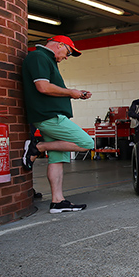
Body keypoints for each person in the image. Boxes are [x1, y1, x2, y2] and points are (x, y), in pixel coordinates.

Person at [21, 35, 95, 214]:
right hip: (49, 117)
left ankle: (57, 201)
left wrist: (75, 94)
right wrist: (71, 92)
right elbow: (43, 87)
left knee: (57, 160)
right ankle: (38, 147)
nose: (67, 57)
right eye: (68, 52)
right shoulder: (39, 57)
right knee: (87, 143)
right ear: (59, 45)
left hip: (52, 115)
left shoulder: (47, 60)